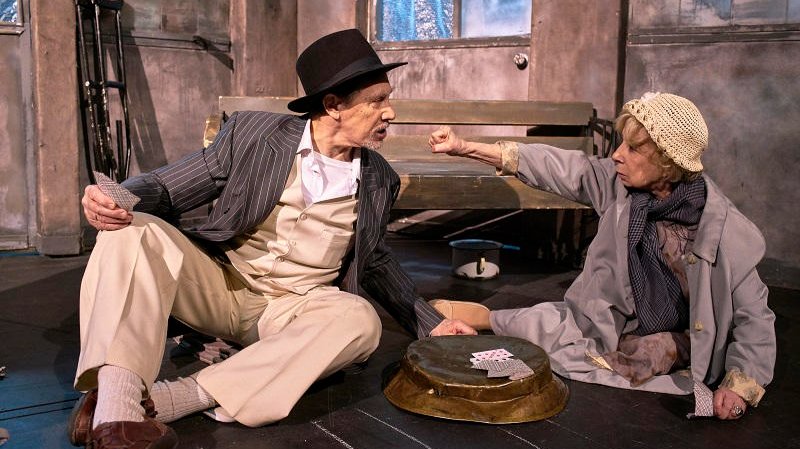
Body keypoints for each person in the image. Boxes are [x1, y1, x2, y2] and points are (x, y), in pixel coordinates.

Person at [69, 29, 475, 449]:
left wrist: (433, 324)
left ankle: (163, 400)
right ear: (333, 105)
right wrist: (116, 198)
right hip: (220, 286)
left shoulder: (379, 179)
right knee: (129, 230)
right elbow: (168, 186)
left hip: (293, 310)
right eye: (377, 100)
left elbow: (375, 262)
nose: (390, 112)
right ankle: (116, 414)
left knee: (361, 322)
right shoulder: (254, 134)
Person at [427, 92, 775, 421]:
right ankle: (486, 318)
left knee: (632, 361)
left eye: (633, 148)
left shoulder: (723, 230)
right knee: (556, 329)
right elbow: (559, 167)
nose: (617, 155)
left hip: (671, 334)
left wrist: (740, 385)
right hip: (608, 318)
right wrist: (464, 147)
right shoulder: (621, 186)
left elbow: (754, 315)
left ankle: (492, 320)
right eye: (621, 143)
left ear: (668, 161)